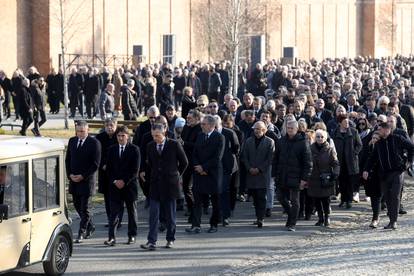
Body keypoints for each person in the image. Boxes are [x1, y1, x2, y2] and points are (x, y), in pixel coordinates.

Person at [140, 124, 188, 250]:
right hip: (155, 184)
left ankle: (170, 238)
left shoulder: (174, 144)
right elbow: (149, 164)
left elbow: (184, 162)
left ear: (164, 133)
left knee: (170, 214)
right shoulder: (150, 146)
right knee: (153, 213)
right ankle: (152, 241)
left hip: (170, 184)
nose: (155, 138)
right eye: (153, 135)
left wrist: (176, 175)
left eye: (158, 135)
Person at [363, 122, 414, 230]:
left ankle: (394, 221)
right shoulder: (379, 143)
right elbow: (373, 158)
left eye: (380, 129)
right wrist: (366, 169)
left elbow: (411, 148)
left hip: (397, 171)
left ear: (387, 130)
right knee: (387, 197)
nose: (378, 131)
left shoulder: (397, 138)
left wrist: (408, 162)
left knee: (394, 196)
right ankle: (391, 221)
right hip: (384, 173)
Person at [186, 115, 225, 234]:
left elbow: (217, 157)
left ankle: (214, 224)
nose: (201, 126)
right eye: (201, 124)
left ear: (212, 125)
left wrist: (204, 167)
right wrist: (198, 167)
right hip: (199, 173)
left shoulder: (220, 137)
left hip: (213, 173)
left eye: (204, 124)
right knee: (197, 200)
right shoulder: (200, 135)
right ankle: (196, 224)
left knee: (215, 200)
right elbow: (195, 153)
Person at [273, 120, 313, 232]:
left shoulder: (302, 142)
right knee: (280, 197)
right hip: (283, 175)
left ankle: (292, 223)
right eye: (288, 128)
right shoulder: (281, 141)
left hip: (296, 176)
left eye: (292, 128)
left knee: (295, 201)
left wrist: (304, 179)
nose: (289, 130)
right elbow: (276, 158)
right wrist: (274, 174)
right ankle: (291, 214)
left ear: (297, 129)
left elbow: (308, 163)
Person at [65, 121, 101, 243]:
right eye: (78, 131)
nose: (80, 133)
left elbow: (95, 164)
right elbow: (68, 159)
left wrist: (82, 176)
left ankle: (82, 231)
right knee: (76, 205)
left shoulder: (94, 143)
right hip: (74, 180)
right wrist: (70, 174)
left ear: (87, 130)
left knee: (84, 207)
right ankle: (90, 225)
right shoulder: (72, 141)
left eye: (82, 131)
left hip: (86, 181)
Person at [104, 126, 140, 246]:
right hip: (115, 187)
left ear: (127, 136)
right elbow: (108, 169)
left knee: (131, 212)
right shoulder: (111, 149)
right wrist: (115, 181)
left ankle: (132, 235)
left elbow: (135, 170)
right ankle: (112, 237)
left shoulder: (134, 149)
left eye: (123, 136)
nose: (120, 138)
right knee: (114, 213)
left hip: (129, 186)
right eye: (118, 136)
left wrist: (124, 181)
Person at [242, 121, 274, 227]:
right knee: (254, 198)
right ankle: (258, 216)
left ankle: (261, 218)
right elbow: (244, 156)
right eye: (255, 129)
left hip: (263, 174)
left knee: (261, 197)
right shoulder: (248, 141)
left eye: (259, 129)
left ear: (264, 130)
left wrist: (259, 169)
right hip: (251, 174)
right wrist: (249, 168)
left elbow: (270, 158)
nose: (256, 131)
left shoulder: (270, 142)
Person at [308, 129, 340, 227]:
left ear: (325, 138)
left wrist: (335, 174)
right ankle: (320, 218)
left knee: (326, 200)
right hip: (314, 178)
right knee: (316, 200)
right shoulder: (310, 148)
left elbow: (335, 163)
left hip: (326, 178)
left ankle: (327, 217)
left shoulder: (330, 149)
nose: (320, 138)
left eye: (322, 137)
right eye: (318, 136)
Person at [95, 118, 123, 227]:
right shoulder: (100, 138)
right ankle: (110, 219)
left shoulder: (119, 136)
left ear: (116, 125)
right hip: (104, 172)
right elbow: (97, 155)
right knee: (107, 197)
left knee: (117, 197)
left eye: (112, 125)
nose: (109, 127)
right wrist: (103, 165)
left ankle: (118, 220)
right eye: (107, 125)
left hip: (117, 172)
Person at [332, 114, 362, 209]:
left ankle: (349, 200)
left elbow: (359, 145)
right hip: (340, 160)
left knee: (349, 182)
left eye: (348, 122)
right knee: (341, 182)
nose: (347, 124)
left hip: (350, 160)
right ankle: (343, 200)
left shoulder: (353, 132)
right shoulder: (335, 132)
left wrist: (354, 153)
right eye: (345, 122)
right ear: (340, 123)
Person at [214, 115, 240, 226]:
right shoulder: (210, 134)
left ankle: (225, 216)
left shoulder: (229, 133)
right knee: (217, 191)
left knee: (224, 191)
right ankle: (219, 214)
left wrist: (228, 157)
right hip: (215, 167)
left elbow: (236, 147)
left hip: (227, 166)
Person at [181, 109, 203, 221]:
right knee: (186, 187)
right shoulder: (186, 127)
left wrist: (185, 144)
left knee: (196, 188)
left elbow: (199, 145)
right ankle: (191, 208)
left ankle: (196, 211)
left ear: (197, 119)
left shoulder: (200, 129)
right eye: (187, 118)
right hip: (186, 162)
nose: (187, 120)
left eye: (190, 118)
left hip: (197, 162)